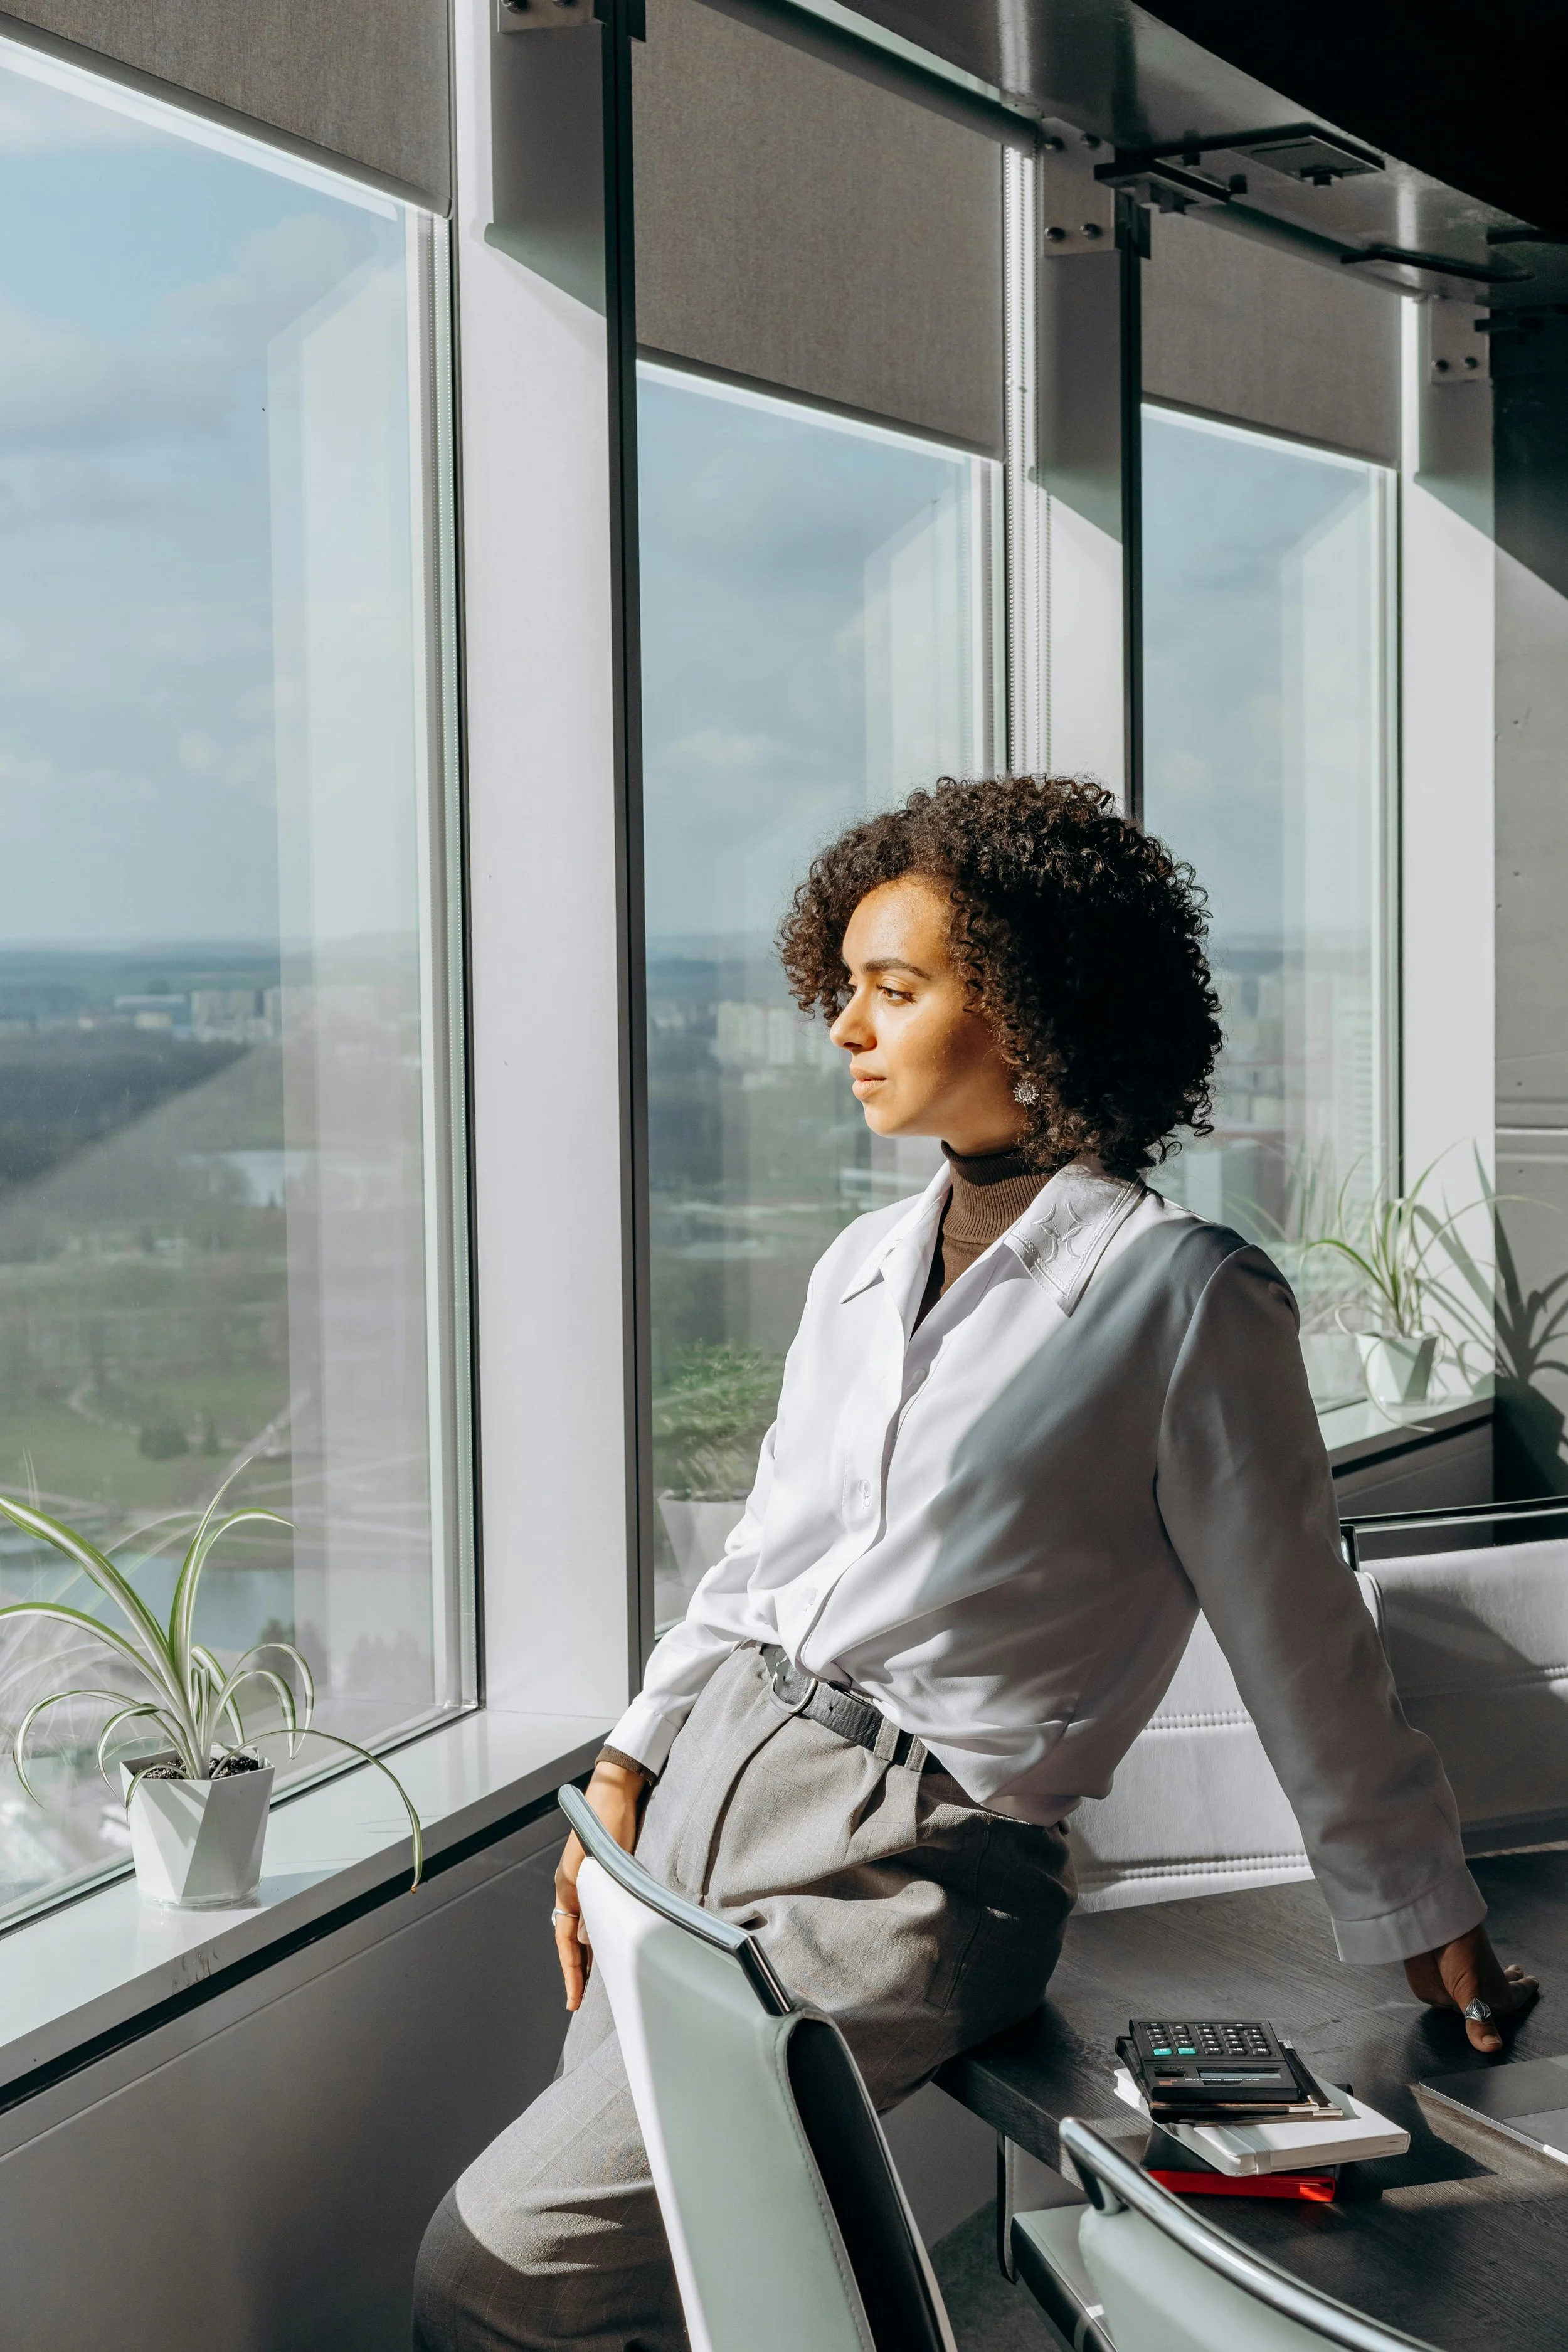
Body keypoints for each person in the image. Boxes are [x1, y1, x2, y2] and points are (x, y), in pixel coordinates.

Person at [414, 774, 1535, 2352]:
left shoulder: (1184, 1299)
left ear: (1028, 1006)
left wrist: (1431, 1921)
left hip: (909, 1862)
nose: (847, 1029)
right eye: (845, 988)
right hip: (709, 1789)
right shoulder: (860, 1264)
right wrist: (627, 1760)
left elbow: (1305, 1654)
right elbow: (762, 1559)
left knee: (494, 2274)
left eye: (896, 988)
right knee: (668, 2274)